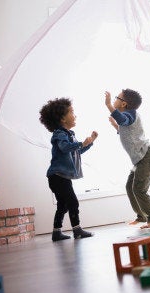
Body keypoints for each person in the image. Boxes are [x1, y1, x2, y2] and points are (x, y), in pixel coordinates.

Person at [39, 97, 98, 241]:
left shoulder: (69, 134)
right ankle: (77, 230)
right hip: (57, 176)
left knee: (63, 205)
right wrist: (81, 143)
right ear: (62, 119)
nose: (75, 115)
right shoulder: (60, 134)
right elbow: (65, 148)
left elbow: (75, 152)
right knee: (72, 202)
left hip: (61, 176)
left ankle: (56, 232)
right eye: (71, 112)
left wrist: (88, 143)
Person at [104, 89, 150, 229]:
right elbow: (127, 132)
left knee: (139, 189)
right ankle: (141, 216)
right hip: (139, 159)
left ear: (123, 104)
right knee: (130, 187)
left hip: (146, 156)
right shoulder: (126, 116)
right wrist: (115, 126)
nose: (114, 100)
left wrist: (108, 106)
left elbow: (124, 120)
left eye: (116, 98)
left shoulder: (130, 114)